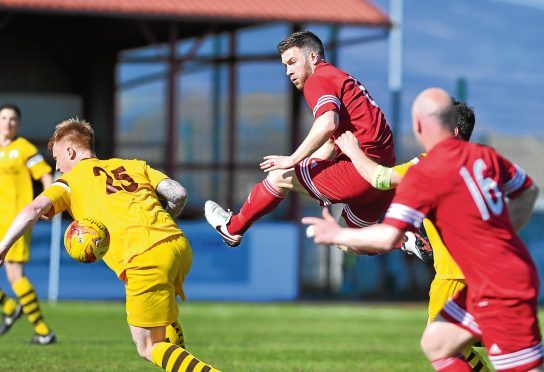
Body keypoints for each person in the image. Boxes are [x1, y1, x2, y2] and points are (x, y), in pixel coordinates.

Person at [302, 88, 542, 371]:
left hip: (483, 281)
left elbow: (384, 213)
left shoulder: (427, 168)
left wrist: (339, 234)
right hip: (500, 273)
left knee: (514, 361)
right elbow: (528, 191)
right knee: (438, 343)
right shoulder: (484, 156)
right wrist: (502, 234)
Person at [0, 119, 219, 372]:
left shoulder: (69, 182)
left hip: (144, 259)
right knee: (164, 326)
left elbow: (33, 209)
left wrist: (3, 247)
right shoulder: (132, 165)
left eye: (57, 158)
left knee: (149, 347)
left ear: (70, 151)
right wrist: (163, 221)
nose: (57, 166)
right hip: (177, 245)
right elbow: (178, 193)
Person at [335, 99, 490, 371]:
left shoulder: (434, 162)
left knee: (440, 345)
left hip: (456, 275)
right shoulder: (482, 161)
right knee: (469, 341)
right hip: (491, 271)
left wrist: (352, 149)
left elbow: (380, 178)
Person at [204, 30, 395, 247]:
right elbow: (332, 142)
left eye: (293, 62)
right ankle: (404, 241)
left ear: (313, 57)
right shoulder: (341, 78)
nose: (288, 71)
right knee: (345, 241)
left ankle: (233, 227)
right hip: (382, 178)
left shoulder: (318, 78)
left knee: (279, 175)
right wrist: (310, 168)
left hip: (359, 173)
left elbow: (327, 123)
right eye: (285, 65)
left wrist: (292, 160)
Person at [0, 104, 56, 344]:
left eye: (12, 119)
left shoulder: (24, 148)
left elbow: (45, 175)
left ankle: (43, 331)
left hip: (15, 221)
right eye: (3, 118)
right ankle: (11, 307)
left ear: (18, 125)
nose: (7, 122)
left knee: (14, 275)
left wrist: (51, 201)